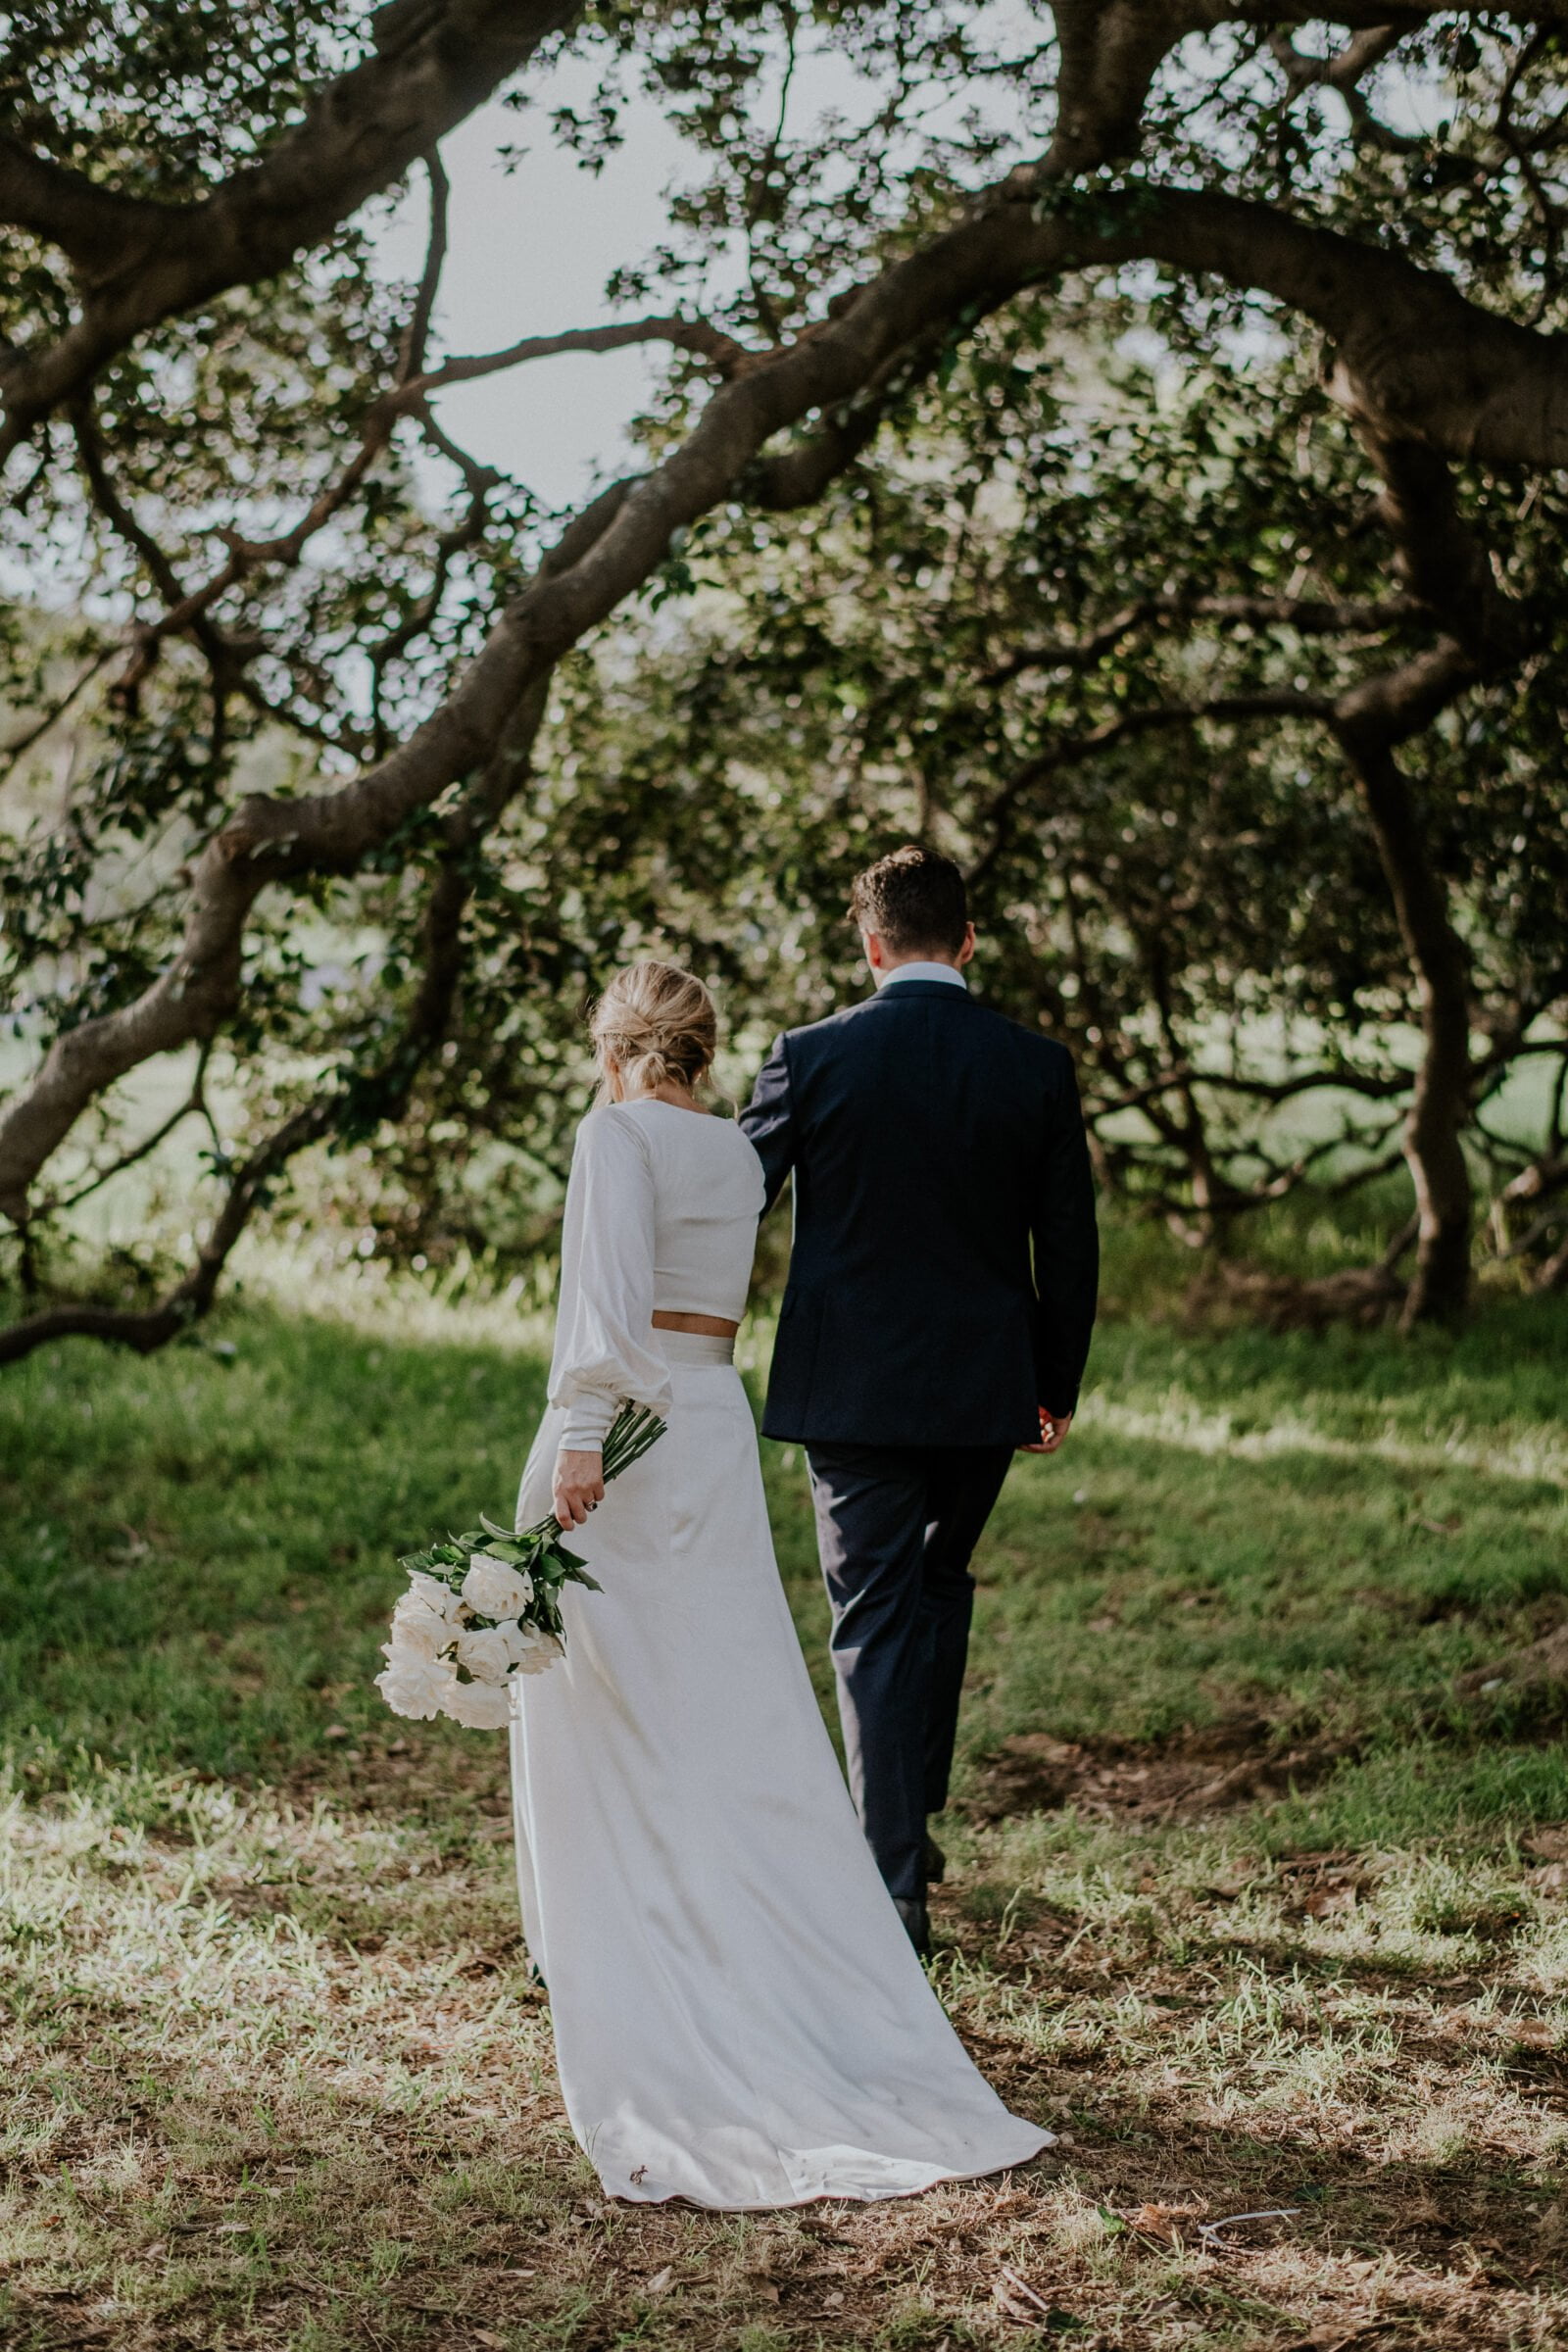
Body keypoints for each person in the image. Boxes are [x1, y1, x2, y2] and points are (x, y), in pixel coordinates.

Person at [509, 957, 1052, 2209]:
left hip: (623, 1434)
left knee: (591, 1685)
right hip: (707, 1420)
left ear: (611, 1046)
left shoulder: (615, 1138)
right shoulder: (733, 1155)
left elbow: (604, 1301)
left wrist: (581, 1433)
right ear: (703, 1049)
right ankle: (721, 1923)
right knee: (717, 1692)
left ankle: (609, 1941)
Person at [740, 845, 1100, 1956]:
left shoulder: (810, 1056)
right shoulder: (1035, 1066)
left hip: (850, 1390)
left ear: (870, 945)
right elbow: (1070, 1244)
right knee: (935, 1588)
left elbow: (733, 1197)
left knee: (876, 1612)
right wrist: (1054, 1385)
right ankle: (911, 1820)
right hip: (988, 1387)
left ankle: (892, 1878)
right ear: (969, 940)